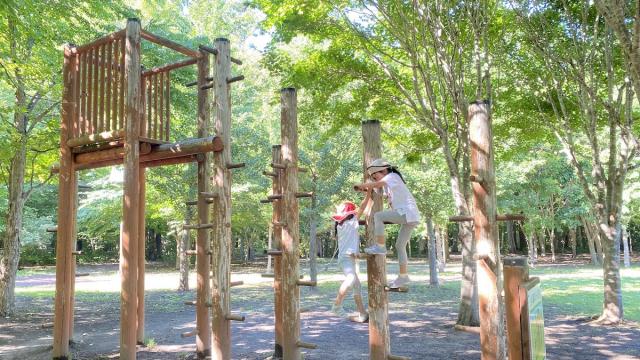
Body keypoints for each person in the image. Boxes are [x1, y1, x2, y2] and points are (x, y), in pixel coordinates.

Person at [353, 159, 420, 289]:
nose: (374, 179)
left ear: (383, 171)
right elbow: (377, 189)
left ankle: (380, 246)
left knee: (379, 216)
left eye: (375, 176)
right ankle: (403, 276)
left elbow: (378, 184)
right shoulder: (388, 184)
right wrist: (366, 188)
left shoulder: (392, 176)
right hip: (410, 215)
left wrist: (363, 184)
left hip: (407, 212)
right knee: (400, 246)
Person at [330, 192, 371, 323]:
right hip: (347, 258)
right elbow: (363, 206)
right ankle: (336, 305)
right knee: (351, 279)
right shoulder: (352, 222)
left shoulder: (341, 225)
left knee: (357, 286)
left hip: (347, 258)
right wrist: (369, 193)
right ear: (351, 213)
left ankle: (362, 313)